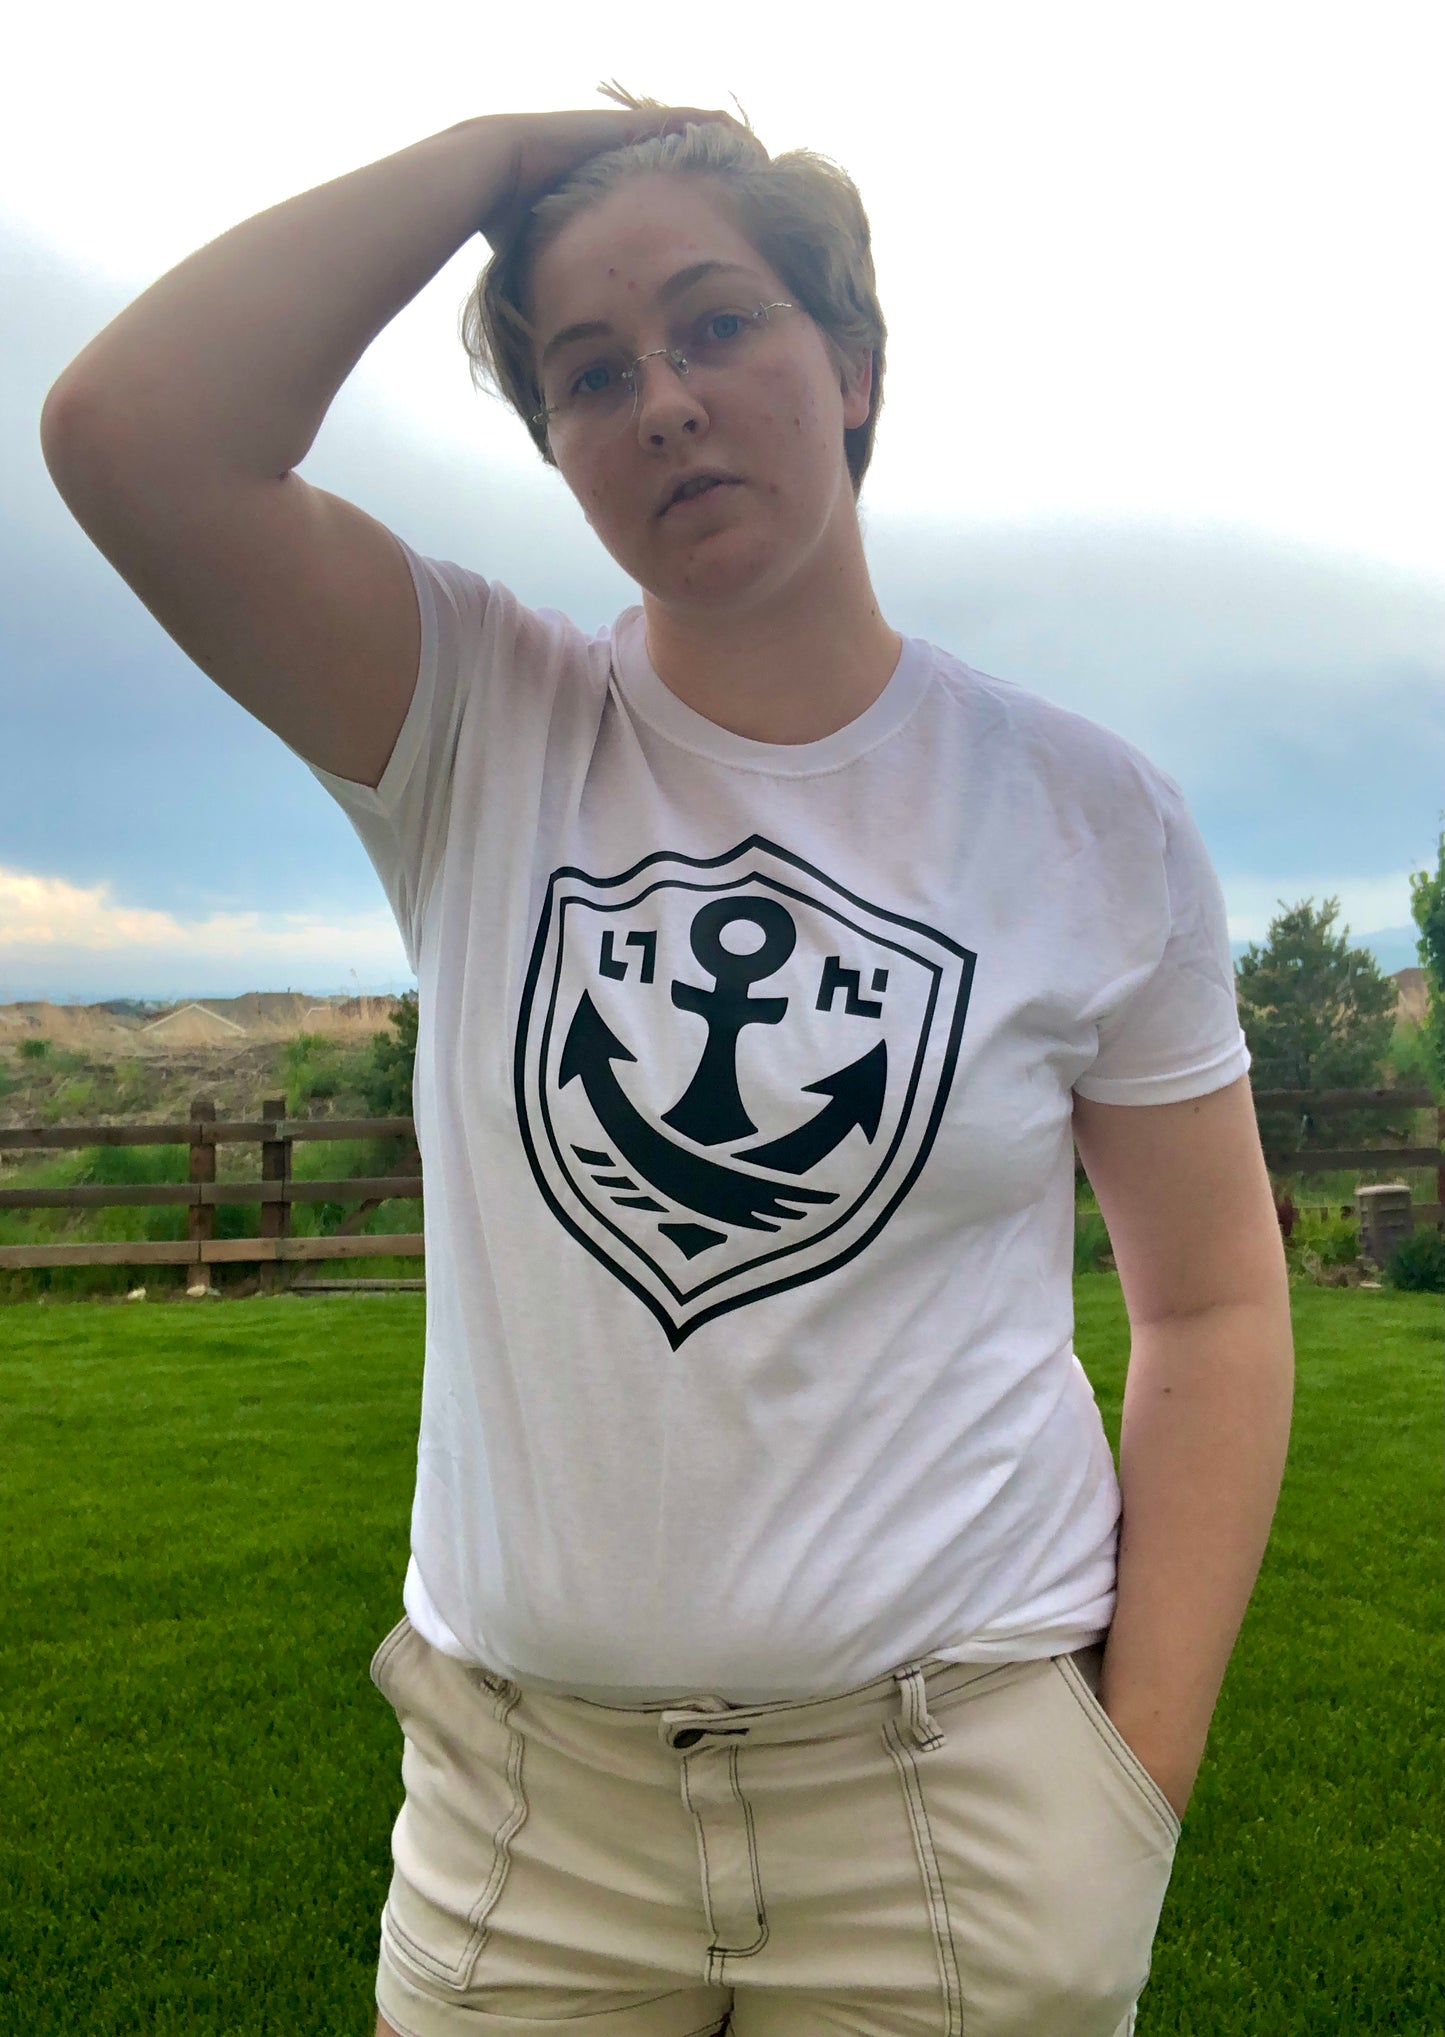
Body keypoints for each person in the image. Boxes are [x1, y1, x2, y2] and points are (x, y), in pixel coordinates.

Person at [41, 88, 1295, 2037]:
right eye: (591, 369)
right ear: (555, 444)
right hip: (528, 1826)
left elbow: (1211, 1301)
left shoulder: (1085, 814)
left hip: (950, 1811)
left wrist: (1132, 1774)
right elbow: (133, 431)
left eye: (717, 323)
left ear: (852, 365)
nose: (666, 401)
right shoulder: (471, 720)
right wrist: (497, 155)